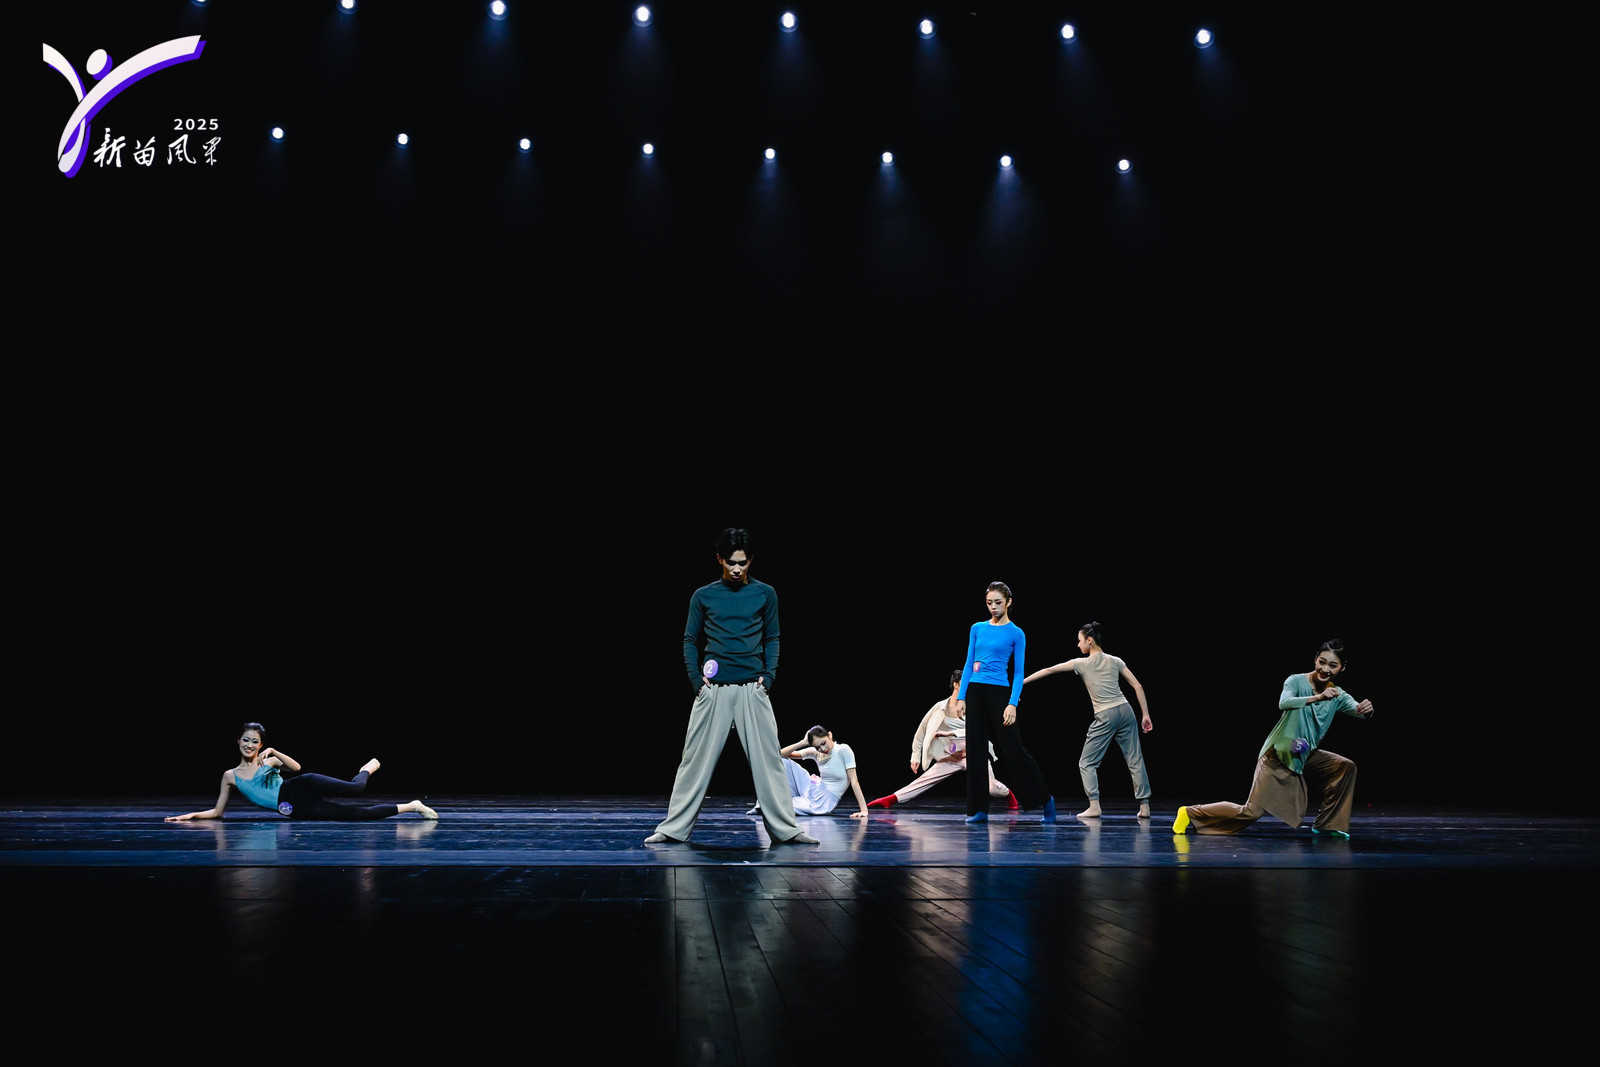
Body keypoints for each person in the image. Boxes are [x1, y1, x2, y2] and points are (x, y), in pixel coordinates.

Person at [646, 528, 817, 845]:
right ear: (719, 559)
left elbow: (773, 638)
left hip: (753, 689)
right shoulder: (703, 595)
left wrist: (769, 678)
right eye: (731, 562)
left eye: (743, 562)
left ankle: (787, 830)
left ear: (751, 560)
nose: (737, 569)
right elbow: (689, 639)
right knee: (693, 761)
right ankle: (672, 829)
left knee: (770, 762)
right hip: (714, 691)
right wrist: (696, 681)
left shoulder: (765, 593)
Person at [1173, 639, 1374, 838]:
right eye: (1322, 662)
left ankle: (1328, 824)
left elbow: (1358, 710)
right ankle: (1190, 812)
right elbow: (1284, 702)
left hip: (1304, 755)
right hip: (1277, 754)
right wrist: (1317, 698)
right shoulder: (1295, 681)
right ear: (1315, 660)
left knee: (1345, 767)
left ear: (1342, 668)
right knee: (1251, 812)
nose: (1325, 669)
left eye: (1333, 665)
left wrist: (1366, 710)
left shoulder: (1337, 695)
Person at [165, 722, 437, 822]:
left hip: (301, 785)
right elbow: (218, 812)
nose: (249, 745)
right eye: (245, 740)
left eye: (255, 742)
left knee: (356, 788)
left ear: (260, 744)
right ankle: (413, 806)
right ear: (238, 742)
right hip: (295, 809)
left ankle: (366, 769)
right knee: (359, 816)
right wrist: (189, 816)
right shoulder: (229, 776)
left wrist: (274, 751)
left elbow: (296, 768)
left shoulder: (268, 761)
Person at [1023, 621, 1153, 819]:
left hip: (1106, 714)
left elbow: (1050, 670)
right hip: (1126, 711)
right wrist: (1145, 715)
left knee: (1086, 763)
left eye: (1080, 640)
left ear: (1089, 640)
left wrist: (1021, 683)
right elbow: (1138, 686)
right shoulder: (1115, 660)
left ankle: (1094, 805)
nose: (1078, 644)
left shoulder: (1081, 663)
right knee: (1135, 759)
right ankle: (1144, 806)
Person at [954, 581, 1057, 823]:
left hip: (999, 692)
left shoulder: (1016, 633)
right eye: (989, 603)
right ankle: (979, 810)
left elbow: (1019, 673)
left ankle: (1045, 800)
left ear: (1008, 602)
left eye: (998, 602)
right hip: (976, 691)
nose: (993, 607)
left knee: (1013, 749)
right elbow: (968, 664)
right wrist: (961, 697)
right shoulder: (977, 628)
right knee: (976, 752)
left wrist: (1012, 703)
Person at [868, 669, 1016, 810]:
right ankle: (891, 799)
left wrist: (951, 733)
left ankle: (1008, 794)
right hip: (952, 756)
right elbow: (922, 730)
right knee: (925, 779)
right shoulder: (940, 707)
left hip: (975, 754)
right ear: (956, 684)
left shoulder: (974, 706)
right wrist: (915, 756)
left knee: (991, 788)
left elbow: (978, 730)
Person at [751, 725, 869, 818]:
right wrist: (803, 742)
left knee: (782, 806)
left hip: (823, 801)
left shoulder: (843, 750)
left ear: (830, 735)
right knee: (782, 761)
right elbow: (780, 754)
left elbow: (854, 781)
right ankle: (767, 801)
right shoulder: (816, 752)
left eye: (823, 743)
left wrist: (864, 810)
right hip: (814, 788)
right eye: (818, 747)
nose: (822, 749)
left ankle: (765, 805)